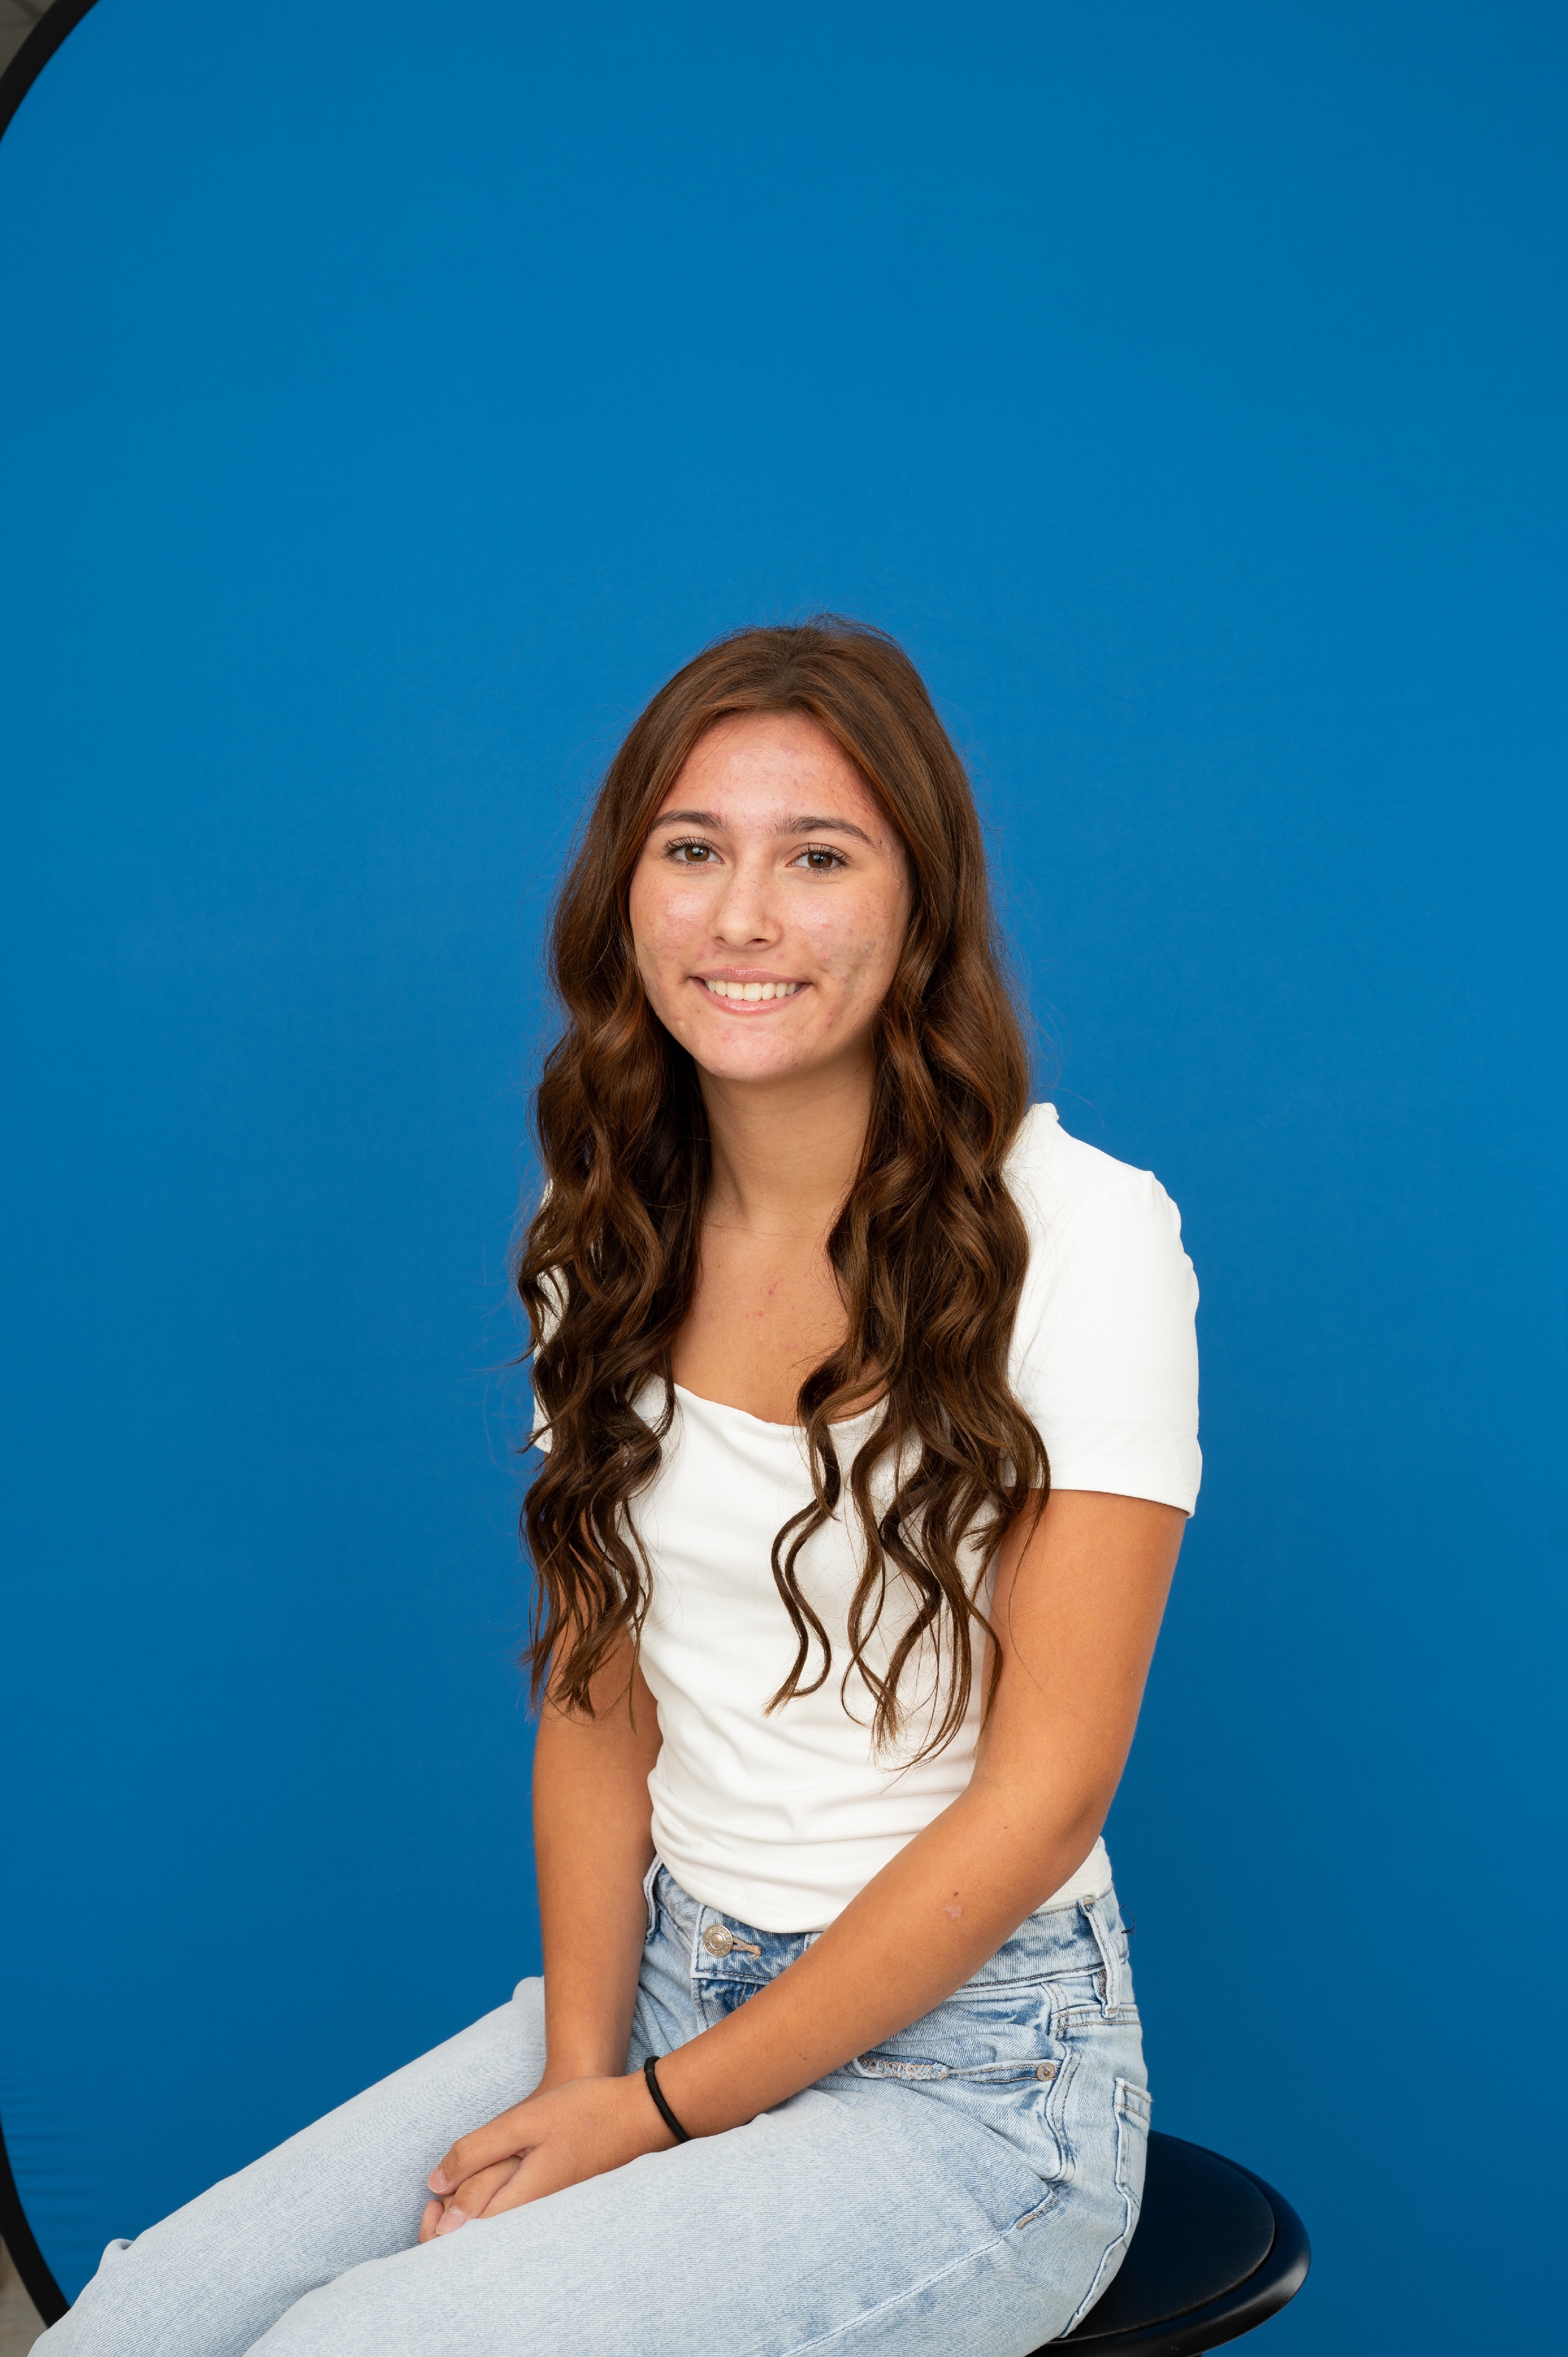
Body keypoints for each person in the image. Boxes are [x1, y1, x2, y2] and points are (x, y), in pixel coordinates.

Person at [43, 618, 1199, 2356]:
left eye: (819, 857)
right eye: (694, 850)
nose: (744, 917)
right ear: (627, 893)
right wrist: (586, 2078)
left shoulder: (1086, 1236)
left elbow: (1045, 1799)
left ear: (922, 905)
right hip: (662, 1990)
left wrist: (654, 2118)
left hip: (978, 2085)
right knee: (137, 2329)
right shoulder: (608, 1228)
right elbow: (597, 1699)